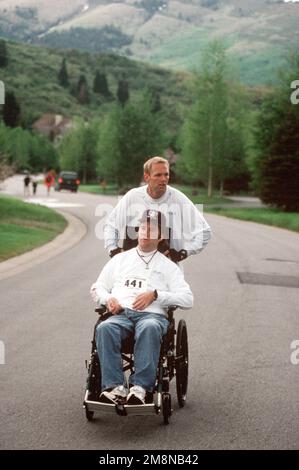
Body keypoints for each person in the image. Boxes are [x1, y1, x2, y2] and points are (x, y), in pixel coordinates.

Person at [90, 209, 193, 405]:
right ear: (137, 231)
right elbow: (98, 287)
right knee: (104, 327)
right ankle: (114, 387)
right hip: (122, 314)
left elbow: (187, 299)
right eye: (143, 228)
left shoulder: (169, 266)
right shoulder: (120, 259)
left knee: (149, 327)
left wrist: (155, 295)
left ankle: (141, 388)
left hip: (151, 317)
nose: (146, 233)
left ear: (161, 236)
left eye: (152, 229)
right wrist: (108, 298)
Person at [104, 156, 211, 263]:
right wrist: (113, 249)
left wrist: (184, 252)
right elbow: (111, 225)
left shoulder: (178, 198)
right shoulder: (132, 196)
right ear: (147, 177)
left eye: (166, 174)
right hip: (132, 269)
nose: (164, 179)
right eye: (158, 175)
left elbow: (204, 232)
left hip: (166, 271)